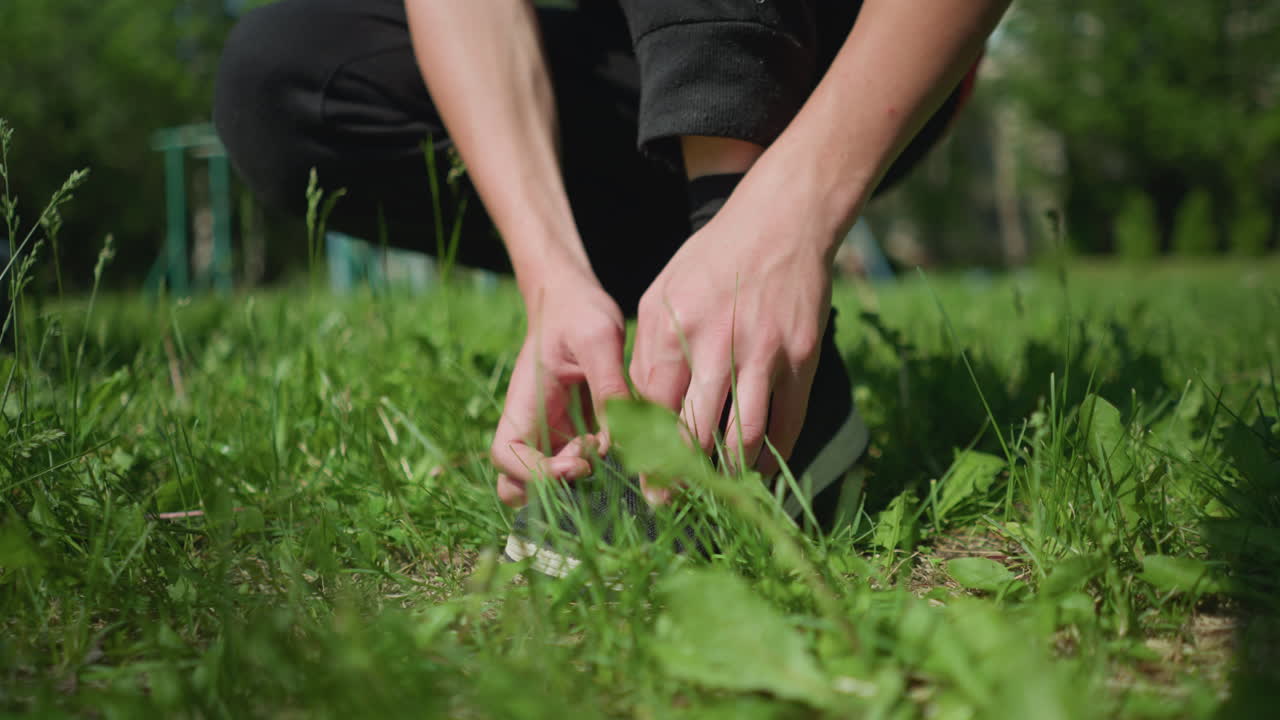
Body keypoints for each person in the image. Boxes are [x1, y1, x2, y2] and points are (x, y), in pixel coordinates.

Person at [214, 0, 1008, 575]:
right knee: (288, 78)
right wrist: (551, 275)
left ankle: (768, 377)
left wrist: (792, 217)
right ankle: (710, 306)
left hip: (864, 50)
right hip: (635, 55)